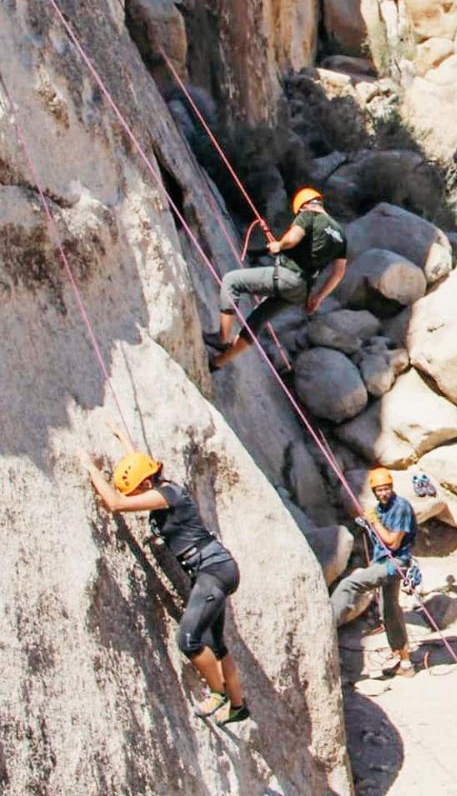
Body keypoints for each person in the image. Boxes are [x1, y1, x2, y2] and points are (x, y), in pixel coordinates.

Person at [84, 425, 249, 725]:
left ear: (146, 484)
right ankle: (238, 706)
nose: (134, 495)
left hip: (212, 571)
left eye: (136, 489)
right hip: (214, 570)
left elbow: (117, 504)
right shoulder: (161, 487)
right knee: (216, 644)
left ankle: (218, 693)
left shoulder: (167, 494)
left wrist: (89, 467)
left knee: (188, 640)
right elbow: (139, 466)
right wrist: (123, 438)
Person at [204, 187, 347, 371]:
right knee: (258, 319)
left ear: (303, 206)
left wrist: (279, 245)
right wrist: (318, 297)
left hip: (287, 276)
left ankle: (222, 338)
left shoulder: (309, 215)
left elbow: (294, 238)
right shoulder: (340, 234)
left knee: (232, 281)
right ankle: (217, 362)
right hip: (302, 291)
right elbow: (338, 272)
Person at [330, 468, 417, 676]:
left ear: (392, 487)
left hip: (395, 563)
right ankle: (405, 664)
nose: (384, 493)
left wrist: (374, 521)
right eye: (379, 490)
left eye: (386, 489)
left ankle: (327, 621)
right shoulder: (381, 508)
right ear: (375, 491)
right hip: (384, 562)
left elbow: (393, 543)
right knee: (389, 610)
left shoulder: (401, 508)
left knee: (349, 584)